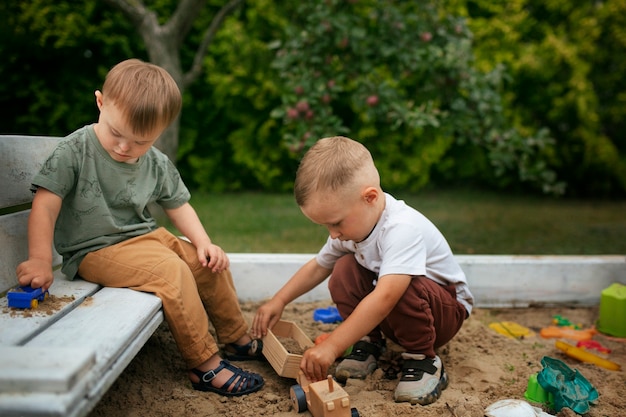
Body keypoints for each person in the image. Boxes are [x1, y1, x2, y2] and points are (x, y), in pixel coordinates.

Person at [16, 59, 264, 397]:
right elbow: (45, 205)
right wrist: (40, 260)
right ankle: (204, 366)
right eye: (116, 133)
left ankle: (236, 338)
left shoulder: (155, 161)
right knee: (172, 272)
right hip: (94, 249)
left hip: (144, 238)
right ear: (101, 103)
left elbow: (177, 203)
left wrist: (204, 242)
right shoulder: (74, 151)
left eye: (140, 142)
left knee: (206, 263)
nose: (124, 147)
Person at [252, 136, 473, 405]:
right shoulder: (350, 231)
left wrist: (332, 345)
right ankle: (369, 342)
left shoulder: (401, 229)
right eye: (325, 227)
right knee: (343, 267)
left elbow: (385, 298)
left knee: (399, 286)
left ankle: (424, 360)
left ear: (370, 197)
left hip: (444, 314)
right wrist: (280, 300)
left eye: (335, 223)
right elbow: (318, 266)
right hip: (404, 311)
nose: (333, 235)